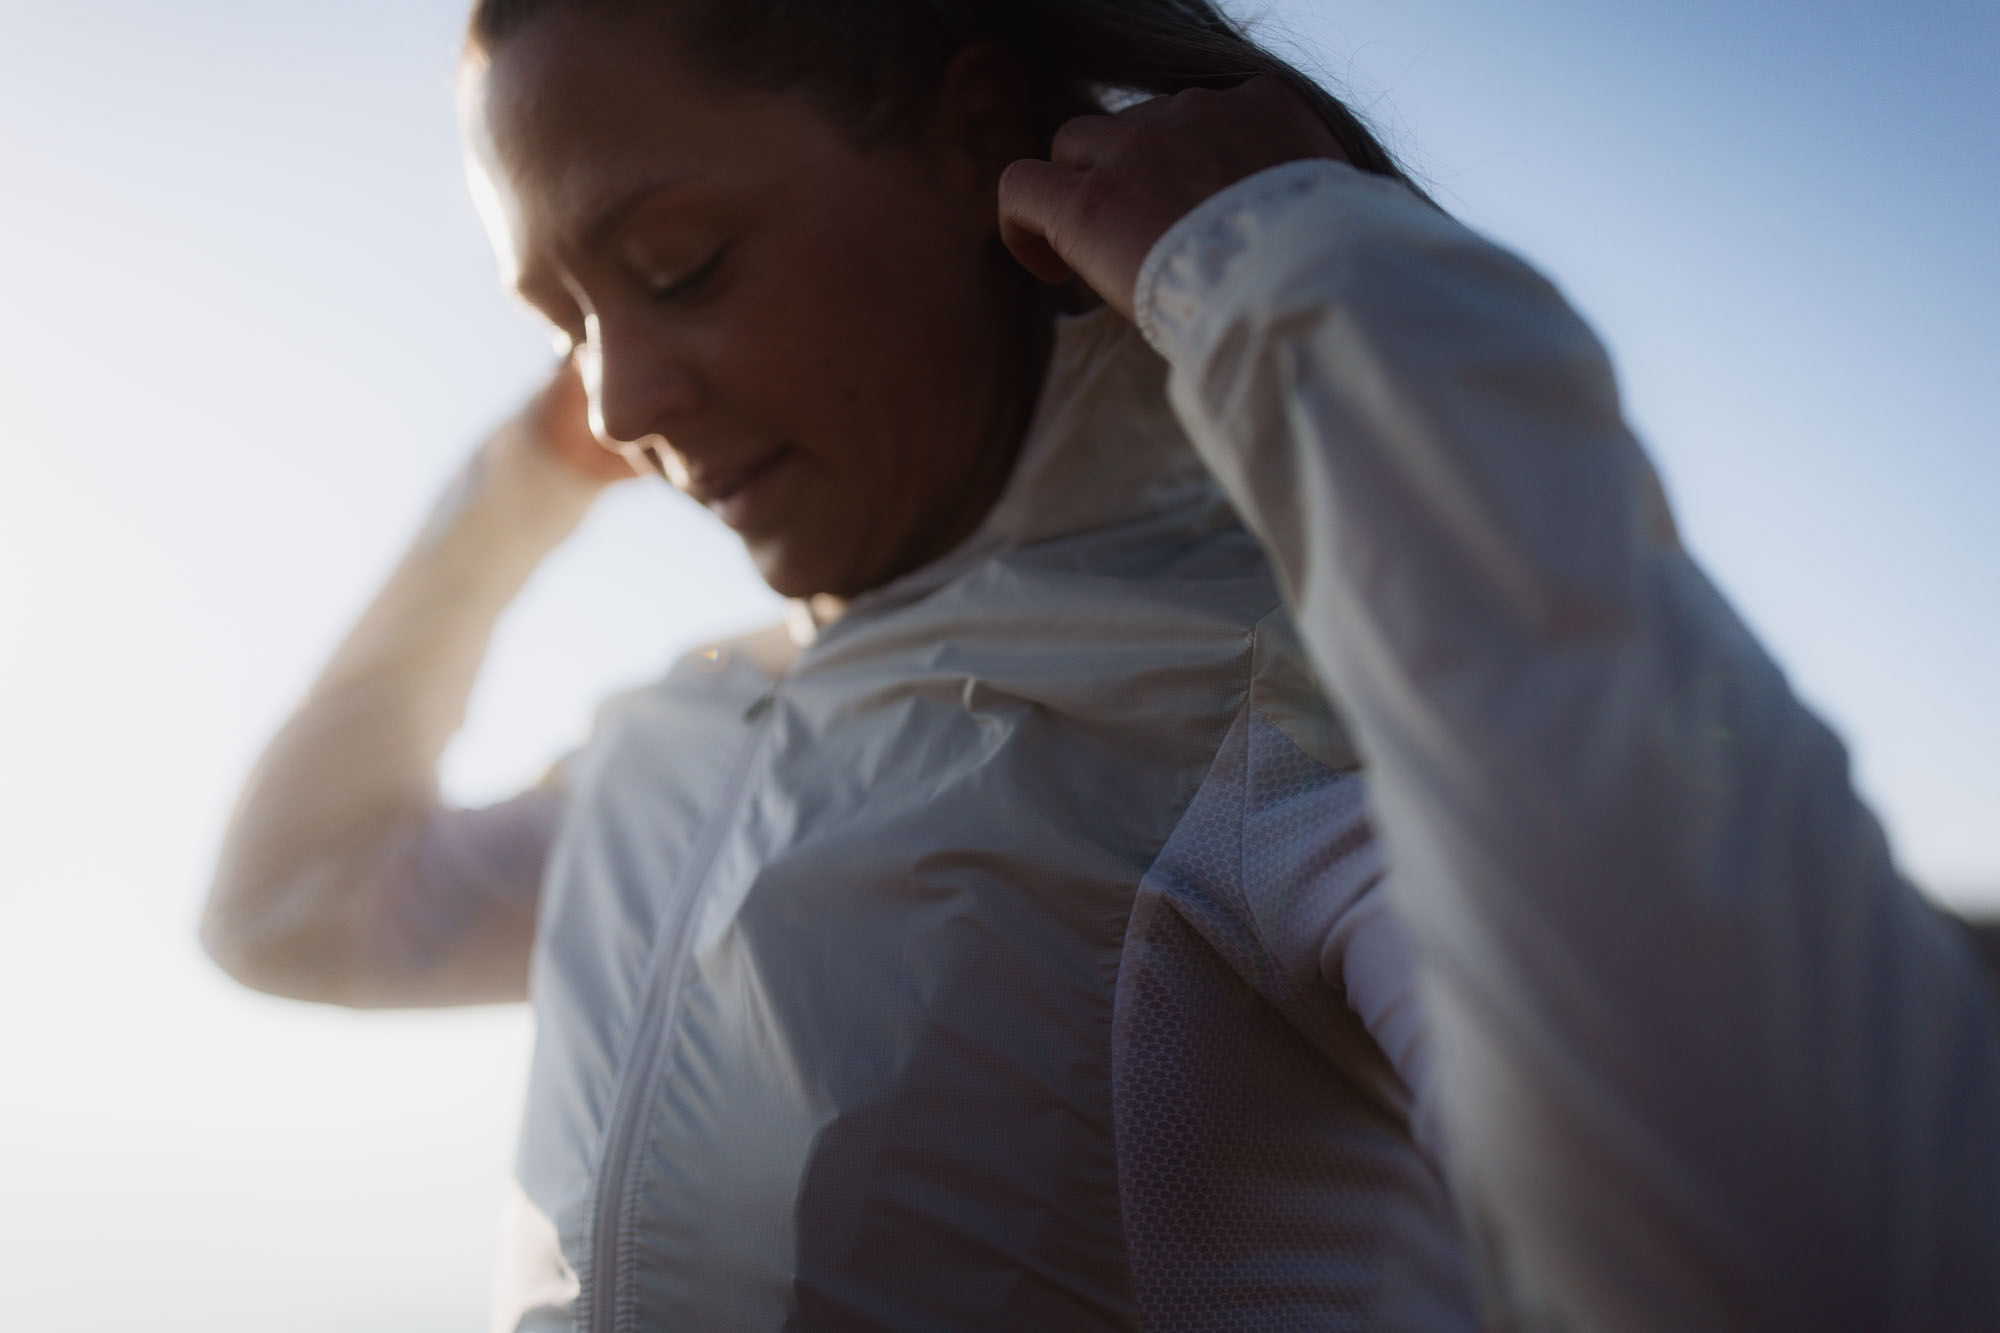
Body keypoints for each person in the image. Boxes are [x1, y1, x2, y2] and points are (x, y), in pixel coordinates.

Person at [201, 1, 2000, 1329]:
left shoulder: (1261, 724)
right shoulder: (680, 739)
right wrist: (510, 496)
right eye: (560, 324)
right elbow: (289, 905)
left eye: (680, 261)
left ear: (974, 134)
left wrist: (1302, 279)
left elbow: (1805, 1243)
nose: (620, 401)